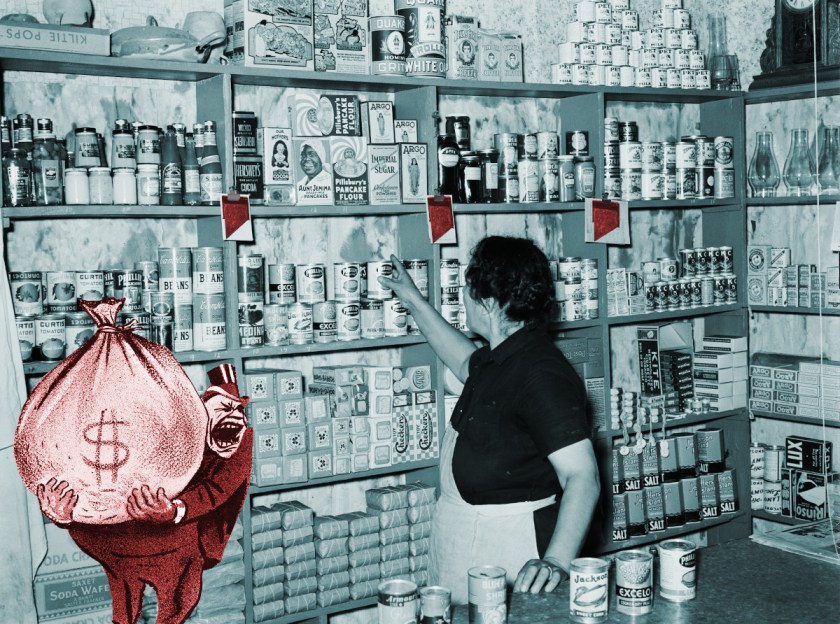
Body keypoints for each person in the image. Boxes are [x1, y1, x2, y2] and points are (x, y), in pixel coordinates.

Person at [379, 236, 600, 605]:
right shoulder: (504, 354)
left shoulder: (541, 373)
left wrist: (556, 562)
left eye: (467, 287)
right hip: (468, 535)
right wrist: (412, 299)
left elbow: (582, 476)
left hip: (509, 544)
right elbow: (464, 360)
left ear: (487, 302)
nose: (463, 296)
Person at [37, 364, 253, 624]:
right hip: (122, 533)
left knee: (177, 590)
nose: (236, 416)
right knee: (125, 588)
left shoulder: (240, 439)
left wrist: (175, 511)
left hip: (179, 535)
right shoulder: (150, 430)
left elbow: (217, 489)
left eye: (238, 408)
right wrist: (64, 515)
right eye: (225, 407)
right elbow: (86, 484)